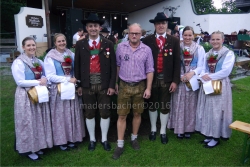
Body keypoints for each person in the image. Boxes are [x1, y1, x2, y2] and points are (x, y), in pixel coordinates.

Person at [75, 13, 116, 151]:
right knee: (89, 112)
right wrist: (79, 84)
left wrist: (111, 85)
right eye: (90, 26)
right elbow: (77, 66)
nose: (93, 28)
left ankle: (104, 139)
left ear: (100, 27)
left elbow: (113, 67)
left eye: (95, 26)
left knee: (105, 112)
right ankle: (92, 139)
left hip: (104, 84)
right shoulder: (80, 44)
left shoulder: (108, 43)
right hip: (87, 85)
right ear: (86, 28)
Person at [112, 23, 154, 160]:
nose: (134, 35)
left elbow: (150, 70)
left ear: (141, 34)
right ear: (128, 34)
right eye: (132, 33)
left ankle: (134, 138)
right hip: (124, 85)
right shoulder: (120, 47)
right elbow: (117, 66)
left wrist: (148, 88)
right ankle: (120, 144)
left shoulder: (146, 50)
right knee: (122, 115)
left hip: (140, 86)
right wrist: (116, 83)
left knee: (137, 113)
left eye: (137, 33)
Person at [12, 37, 53, 161]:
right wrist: (38, 82)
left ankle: (38, 145)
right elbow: (19, 81)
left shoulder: (38, 61)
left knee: (38, 121)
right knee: (27, 122)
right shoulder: (18, 62)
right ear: (23, 47)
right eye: (28, 45)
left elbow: (44, 75)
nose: (31, 48)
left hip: (39, 93)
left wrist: (45, 79)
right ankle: (28, 149)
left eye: (33, 45)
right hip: (25, 95)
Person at [143, 12, 181, 144]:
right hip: (151, 79)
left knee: (165, 105)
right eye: (158, 23)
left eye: (163, 23)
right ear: (154, 25)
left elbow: (177, 62)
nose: (161, 25)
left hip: (167, 79)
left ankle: (163, 131)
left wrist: (175, 81)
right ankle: (153, 129)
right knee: (152, 104)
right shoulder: (147, 40)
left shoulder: (174, 41)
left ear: (166, 25)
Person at [44, 33, 85, 151]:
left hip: (71, 88)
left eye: (63, 41)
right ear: (55, 43)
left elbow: (76, 69)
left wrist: (77, 82)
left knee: (71, 114)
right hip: (58, 91)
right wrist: (67, 79)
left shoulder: (70, 53)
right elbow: (50, 76)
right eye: (59, 41)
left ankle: (72, 138)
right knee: (60, 116)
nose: (62, 43)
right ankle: (61, 141)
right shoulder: (50, 57)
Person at [195, 31, 235, 148]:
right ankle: (209, 133)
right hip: (208, 84)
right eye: (213, 39)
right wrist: (203, 75)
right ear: (210, 41)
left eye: (218, 39)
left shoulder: (228, 53)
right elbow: (203, 68)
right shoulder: (208, 54)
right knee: (208, 109)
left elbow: (225, 71)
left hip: (220, 84)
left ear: (223, 40)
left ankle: (216, 136)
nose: (215, 41)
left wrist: (209, 77)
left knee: (217, 111)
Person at [167, 26, 205, 139]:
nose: (187, 37)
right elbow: (172, 63)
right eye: (185, 35)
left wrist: (191, 73)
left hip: (192, 79)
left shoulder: (199, 48)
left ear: (193, 36)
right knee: (178, 104)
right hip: (179, 79)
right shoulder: (177, 47)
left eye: (190, 35)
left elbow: (201, 66)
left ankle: (189, 128)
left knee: (191, 105)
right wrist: (179, 76)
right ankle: (178, 128)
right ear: (181, 36)